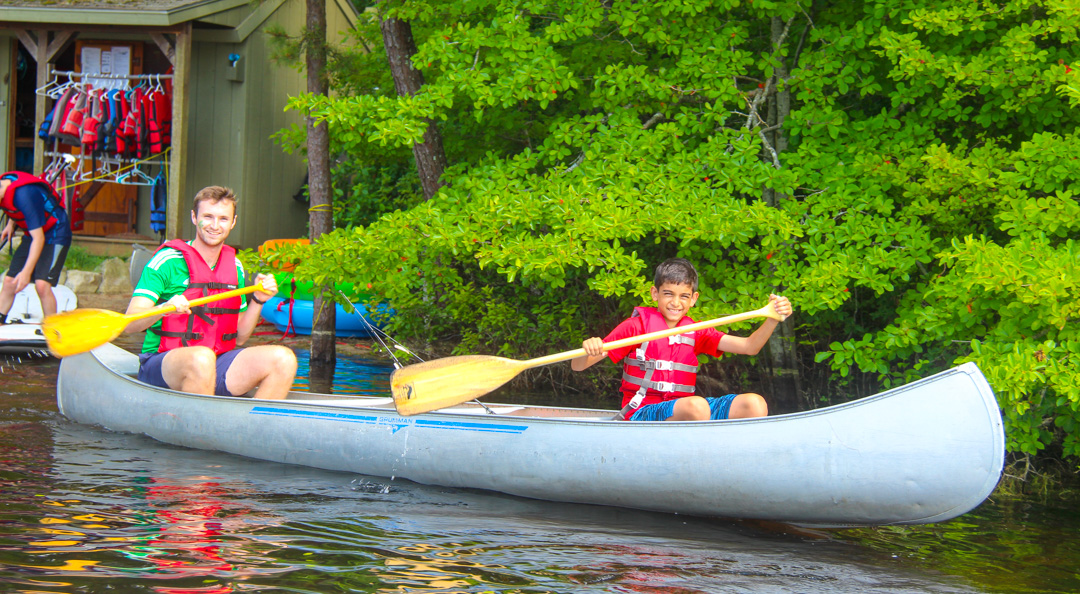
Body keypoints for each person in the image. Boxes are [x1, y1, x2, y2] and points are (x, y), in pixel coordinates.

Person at [124, 185, 297, 399]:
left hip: (216, 360)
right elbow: (130, 324)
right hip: (162, 363)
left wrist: (258, 301)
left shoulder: (234, 266)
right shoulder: (167, 261)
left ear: (233, 222)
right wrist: (163, 309)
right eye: (208, 216)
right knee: (201, 358)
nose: (215, 226)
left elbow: (240, 337)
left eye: (223, 219)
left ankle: (254, 428)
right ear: (194, 217)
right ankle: (198, 430)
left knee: (284, 358)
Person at [571, 258, 793, 421]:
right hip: (642, 412)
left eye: (684, 296)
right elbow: (578, 366)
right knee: (696, 407)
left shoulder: (697, 330)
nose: (675, 302)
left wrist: (772, 319)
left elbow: (750, 347)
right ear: (655, 294)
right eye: (668, 294)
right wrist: (589, 349)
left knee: (754, 403)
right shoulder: (636, 327)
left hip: (686, 409)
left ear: (693, 299)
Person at [0, 171, 72, 324]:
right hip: (33, 232)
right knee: (9, 282)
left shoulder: (24, 195)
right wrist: (11, 224)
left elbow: (39, 239)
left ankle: (52, 328)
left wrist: (26, 272)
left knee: (42, 284)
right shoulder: (4, 187)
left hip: (55, 232)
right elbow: (14, 207)